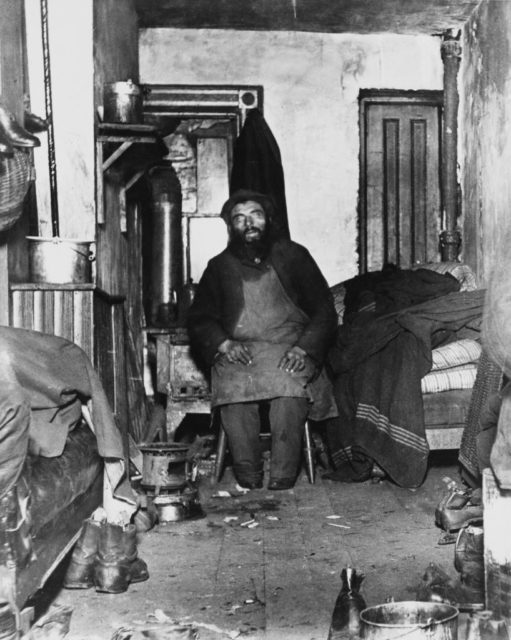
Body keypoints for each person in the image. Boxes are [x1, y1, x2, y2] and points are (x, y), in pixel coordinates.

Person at [187, 189, 338, 490]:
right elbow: (200, 318)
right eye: (239, 218)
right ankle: (248, 476)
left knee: (289, 384)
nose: (249, 223)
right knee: (232, 385)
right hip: (240, 351)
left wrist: (303, 348)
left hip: (290, 347)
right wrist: (223, 344)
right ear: (231, 227)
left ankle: (282, 476)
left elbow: (324, 310)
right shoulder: (219, 267)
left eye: (255, 214)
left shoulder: (294, 256)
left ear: (268, 219)